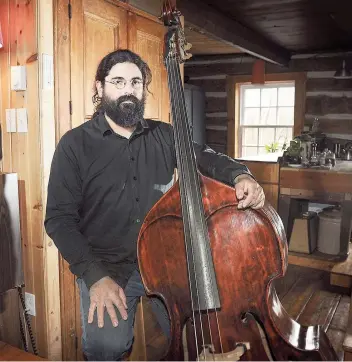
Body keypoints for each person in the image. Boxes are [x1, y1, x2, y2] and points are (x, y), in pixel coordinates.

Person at [45, 49, 265, 361]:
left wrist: (242, 175)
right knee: (107, 347)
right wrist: (95, 276)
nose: (128, 90)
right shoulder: (74, 145)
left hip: (163, 259)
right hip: (106, 265)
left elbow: (206, 156)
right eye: (118, 81)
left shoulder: (164, 135)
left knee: (197, 333)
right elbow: (58, 219)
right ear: (99, 88)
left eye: (136, 82)